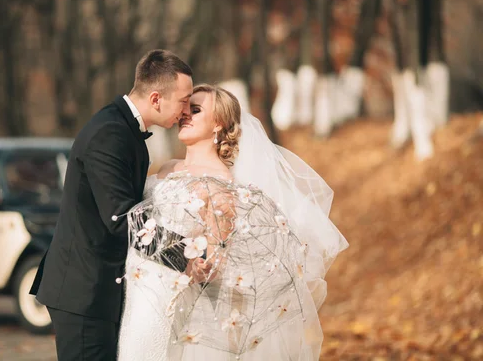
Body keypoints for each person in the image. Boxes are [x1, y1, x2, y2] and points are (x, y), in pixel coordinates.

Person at [117, 84, 349, 360]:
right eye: (185, 108)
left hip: (176, 303)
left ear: (218, 124)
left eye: (196, 110)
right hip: (140, 291)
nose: (184, 115)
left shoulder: (222, 185)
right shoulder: (168, 167)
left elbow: (216, 262)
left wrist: (196, 264)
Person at [29, 49, 194, 361]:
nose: (185, 111)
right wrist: (186, 253)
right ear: (157, 99)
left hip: (100, 289)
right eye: (184, 101)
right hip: (84, 292)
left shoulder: (127, 133)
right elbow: (121, 219)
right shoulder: (110, 134)